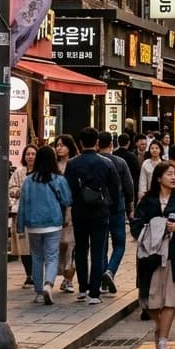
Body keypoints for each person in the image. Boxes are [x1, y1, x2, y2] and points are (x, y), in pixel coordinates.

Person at [133, 161, 175, 349]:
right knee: (148, 300)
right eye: (169, 173)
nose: (173, 177)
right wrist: (153, 229)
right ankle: (160, 327)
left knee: (170, 299)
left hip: (174, 255)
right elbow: (136, 225)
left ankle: (163, 339)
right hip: (150, 256)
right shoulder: (147, 200)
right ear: (159, 178)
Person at [63, 127, 122, 304]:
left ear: (81, 142)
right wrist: (113, 207)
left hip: (79, 211)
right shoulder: (106, 163)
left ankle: (82, 288)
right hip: (100, 211)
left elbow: (68, 188)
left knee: (81, 249)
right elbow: (115, 189)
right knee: (98, 250)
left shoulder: (72, 164)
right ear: (97, 142)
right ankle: (94, 292)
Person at [17, 144, 72, 305]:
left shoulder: (28, 181)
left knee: (37, 257)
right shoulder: (59, 179)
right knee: (52, 256)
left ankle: (38, 292)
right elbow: (67, 200)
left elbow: (22, 205)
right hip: (53, 222)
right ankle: (48, 284)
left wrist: (20, 226)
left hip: (33, 224)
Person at [99, 132, 135, 297]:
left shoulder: (96, 161)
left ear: (98, 144)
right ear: (112, 145)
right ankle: (110, 271)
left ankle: (103, 280)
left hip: (99, 208)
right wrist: (130, 208)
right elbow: (129, 186)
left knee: (102, 244)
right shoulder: (120, 162)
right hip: (117, 207)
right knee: (119, 243)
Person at [52, 136, 80, 294]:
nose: (59, 148)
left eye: (62, 145)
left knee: (70, 244)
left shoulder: (74, 164)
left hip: (71, 209)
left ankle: (68, 278)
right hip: (55, 209)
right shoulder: (53, 166)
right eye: (57, 145)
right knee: (58, 244)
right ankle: (59, 273)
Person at [8, 145, 35, 289]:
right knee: (23, 245)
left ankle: (36, 273)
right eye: (28, 154)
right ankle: (29, 274)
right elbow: (11, 188)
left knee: (35, 245)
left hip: (36, 213)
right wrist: (19, 191)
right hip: (21, 212)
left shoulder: (40, 172)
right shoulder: (19, 172)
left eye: (33, 154)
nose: (30, 157)